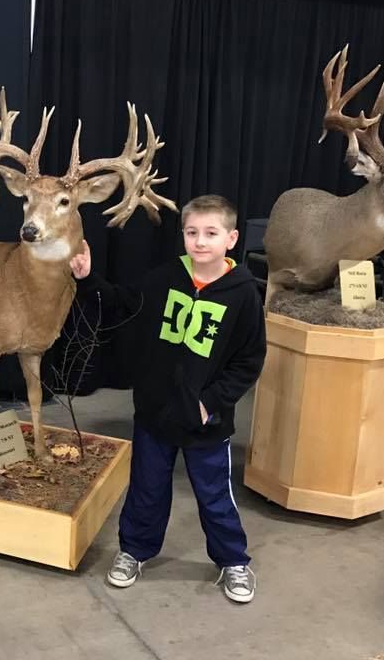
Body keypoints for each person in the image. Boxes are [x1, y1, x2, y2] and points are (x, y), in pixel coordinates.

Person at [69, 195, 266, 603]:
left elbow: (249, 361)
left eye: (211, 233)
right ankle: (134, 551)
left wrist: (210, 402)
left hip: (206, 422)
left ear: (231, 239)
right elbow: (121, 304)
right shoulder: (165, 277)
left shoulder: (243, 294)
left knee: (214, 494)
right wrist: (88, 279)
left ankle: (233, 561)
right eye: (192, 232)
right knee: (147, 487)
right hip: (155, 414)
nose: (200, 241)